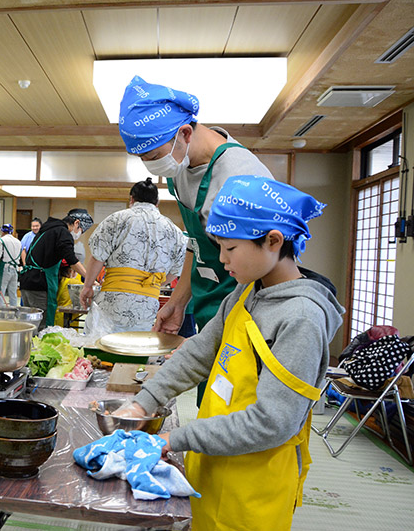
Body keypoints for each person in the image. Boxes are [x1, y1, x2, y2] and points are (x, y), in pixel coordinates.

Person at [115, 176, 344, 530]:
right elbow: (199, 354)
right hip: (213, 462)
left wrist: (176, 439)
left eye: (230, 249)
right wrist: (144, 402)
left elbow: (272, 422)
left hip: (255, 487)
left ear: (273, 240)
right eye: (218, 247)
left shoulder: (301, 318)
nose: (221, 260)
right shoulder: (245, 292)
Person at [118, 77, 274, 337]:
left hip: (245, 314)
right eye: (143, 158)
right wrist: (178, 302)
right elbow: (196, 243)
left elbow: (265, 267)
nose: (152, 166)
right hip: (207, 307)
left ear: (185, 134)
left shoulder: (239, 178)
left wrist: (217, 339)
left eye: (155, 156)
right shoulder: (180, 164)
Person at [79, 178, 186, 332]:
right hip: (148, 305)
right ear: (157, 202)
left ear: (131, 199)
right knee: (136, 348)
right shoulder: (174, 230)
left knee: (100, 346)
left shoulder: (117, 219)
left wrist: (88, 286)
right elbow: (176, 271)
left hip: (113, 300)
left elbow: (97, 256)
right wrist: (151, 284)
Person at [19, 214, 88, 330]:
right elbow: (71, 259)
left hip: (28, 282)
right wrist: (89, 279)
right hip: (40, 283)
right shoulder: (62, 232)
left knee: (29, 325)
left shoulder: (47, 230)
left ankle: (28, 347)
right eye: (80, 230)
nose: (79, 233)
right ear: (76, 223)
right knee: (41, 326)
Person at [55, 259, 83, 326]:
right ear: (70, 271)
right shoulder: (72, 282)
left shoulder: (55, 280)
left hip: (55, 316)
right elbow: (89, 287)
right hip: (69, 320)